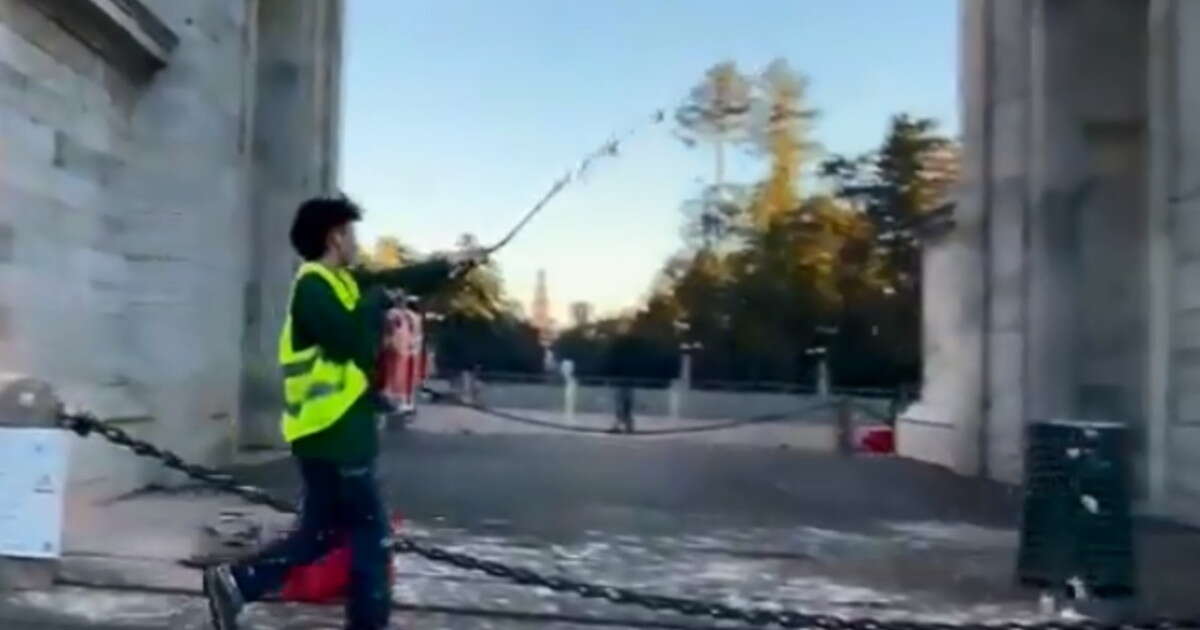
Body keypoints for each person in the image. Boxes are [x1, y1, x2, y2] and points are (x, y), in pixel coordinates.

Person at [204, 195, 482, 630]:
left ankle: (238, 582)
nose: (356, 242)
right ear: (335, 236)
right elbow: (352, 339)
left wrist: (452, 265)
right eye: (351, 232)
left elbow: (398, 279)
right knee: (371, 537)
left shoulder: (344, 283)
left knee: (319, 533)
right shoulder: (313, 287)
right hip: (335, 434)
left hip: (330, 432)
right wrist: (375, 303)